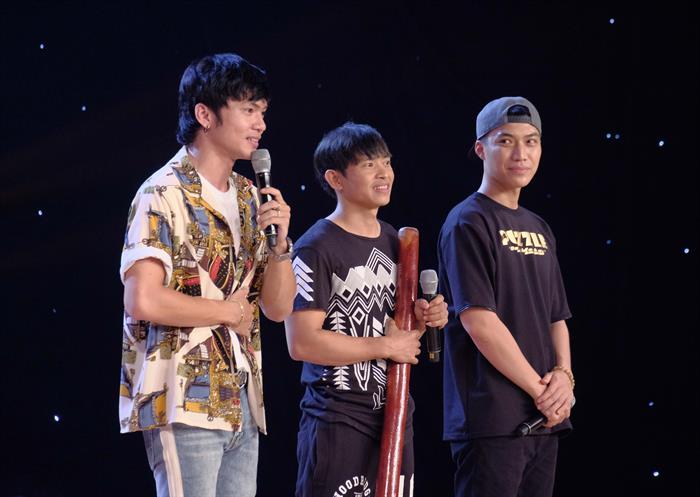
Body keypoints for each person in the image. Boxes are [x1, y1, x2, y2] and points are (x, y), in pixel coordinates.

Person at [119, 53, 296, 497]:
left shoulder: (250, 195)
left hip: (242, 398)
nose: (260, 124)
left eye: (262, 112)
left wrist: (280, 248)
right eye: (248, 110)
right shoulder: (162, 193)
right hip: (183, 399)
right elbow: (142, 299)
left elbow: (277, 309)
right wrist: (225, 311)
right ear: (205, 114)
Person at [285, 122, 449, 497]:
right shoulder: (315, 247)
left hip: (395, 412)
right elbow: (302, 343)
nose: (383, 173)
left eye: (386, 162)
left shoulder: (396, 240)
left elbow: (398, 333)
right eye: (368, 164)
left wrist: (424, 319)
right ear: (335, 179)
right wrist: (385, 347)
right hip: (338, 419)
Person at [438, 96, 575, 497]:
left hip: (544, 418)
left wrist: (564, 378)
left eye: (531, 142)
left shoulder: (539, 227)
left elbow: (556, 317)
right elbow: (478, 321)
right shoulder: (468, 221)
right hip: (492, 420)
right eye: (506, 141)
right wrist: (541, 390)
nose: (521, 154)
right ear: (481, 149)